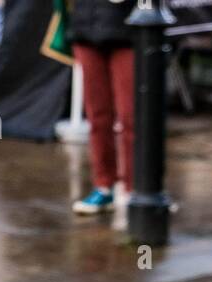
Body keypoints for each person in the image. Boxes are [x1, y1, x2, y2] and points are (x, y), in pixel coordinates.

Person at [67, 0, 135, 216]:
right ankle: (104, 186)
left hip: (128, 34)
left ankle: (136, 189)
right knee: (98, 117)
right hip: (86, 30)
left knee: (131, 117)